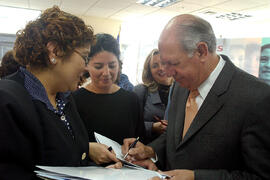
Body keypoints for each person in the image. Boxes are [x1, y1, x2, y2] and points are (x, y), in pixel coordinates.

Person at [122, 14, 270, 180]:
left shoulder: (257, 98)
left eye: (174, 63)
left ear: (201, 51)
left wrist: (195, 177)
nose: (168, 72)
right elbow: (175, 136)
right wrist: (151, 151)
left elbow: (261, 176)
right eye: (164, 63)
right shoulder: (180, 85)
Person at [0, 7, 121, 180]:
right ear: (55, 51)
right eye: (84, 57)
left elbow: (71, 159)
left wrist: (101, 172)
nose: (86, 67)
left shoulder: (64, 98)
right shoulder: (7, 101)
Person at [73, 33, 145, 160]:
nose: (106, 73)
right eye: (98, 66)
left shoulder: (131, 99)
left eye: (112, 66)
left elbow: (141, 139)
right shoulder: (74, 100)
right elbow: (70, 142)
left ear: (119, 64)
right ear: (87, 66)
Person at [134, 49, 173, 143]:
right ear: (149, 71)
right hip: (145, 148)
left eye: (164, 63)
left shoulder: (184, 90)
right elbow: (130, 124)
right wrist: (152, 127)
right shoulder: (141, 91)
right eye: (155, 66)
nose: (161, 68)